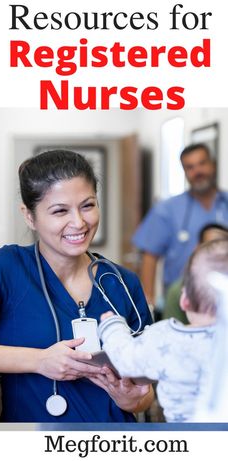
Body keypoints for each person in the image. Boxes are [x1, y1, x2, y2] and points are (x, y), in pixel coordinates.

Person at [0, 149, 154, 423]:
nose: (79, 222)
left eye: (88, 205)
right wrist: (39, 361)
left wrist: (132, 399)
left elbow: (146, 391)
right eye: (60, 211)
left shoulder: (122, 282)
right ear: (29, 216)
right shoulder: (6, 269)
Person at [99, 238, 228, 423]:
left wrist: (112, 327)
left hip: (187, 441)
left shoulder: (166, 338)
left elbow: (125, 359)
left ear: (184, 300)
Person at [132, 143, 228, 306]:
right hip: (182, 298)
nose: (197, 171)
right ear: (184, 172)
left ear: (213, 164)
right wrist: (149, 303)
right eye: (190, 167)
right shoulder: (167, 210)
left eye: (202, 163)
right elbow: (150, 256)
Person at [163, 222, 228, 324]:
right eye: (208, 247)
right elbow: (172, 335)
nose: (214, 254)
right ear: (196, 249)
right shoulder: (178, 291)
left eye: (220, 248)